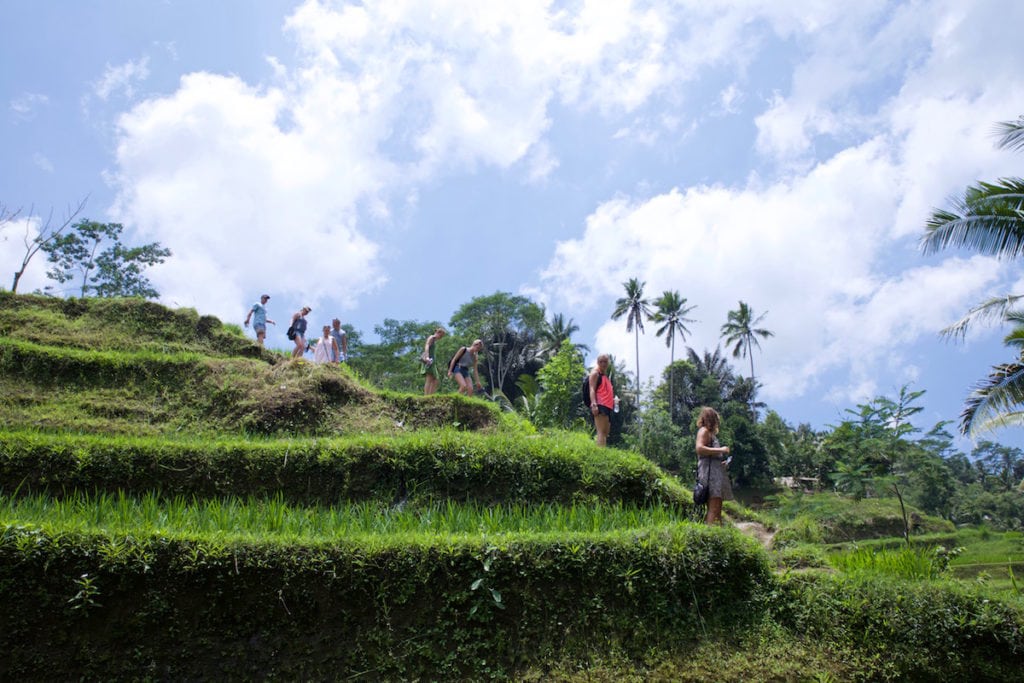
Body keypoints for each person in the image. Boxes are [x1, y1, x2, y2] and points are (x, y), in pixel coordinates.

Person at [695, 406, 733, 525]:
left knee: (717, 505)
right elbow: (699, 448)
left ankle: (717, 532)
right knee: (713, 506)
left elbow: (709, 454)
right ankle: (712, 533)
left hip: (715, 473)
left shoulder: (710, 433)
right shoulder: (704, 431)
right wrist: (721, 450)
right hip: (709, 475)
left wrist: (720, 463)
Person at [588, 354, 617, 446]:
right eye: (601, 362)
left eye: (605, 361)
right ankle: (599, 454)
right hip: (600, 405)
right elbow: (592, 389)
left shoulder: (605, 377)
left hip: (608, 406)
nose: (603, 364)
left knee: (605, 432)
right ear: (597, 363)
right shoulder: (595, 373)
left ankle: (602, 451)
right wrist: (594, 404)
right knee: (601, 431)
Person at [420, 327, 446, 395]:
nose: (441, 337)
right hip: (429, 361)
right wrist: (427, 357)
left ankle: (431, 395)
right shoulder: (431, 337)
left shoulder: (434, 340)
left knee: (435, 380)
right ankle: (426, 396)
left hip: (432, 362)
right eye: (441, 335)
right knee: (429, 378)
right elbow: (427, 346)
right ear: (438, 332)